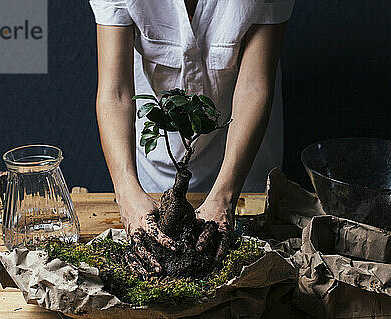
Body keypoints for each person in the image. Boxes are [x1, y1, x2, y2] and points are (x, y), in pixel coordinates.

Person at [90, 0, 294, 257]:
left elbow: (254, 85)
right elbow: (115, 92)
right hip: (158, 154)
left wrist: (225, 198)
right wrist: (127, 191)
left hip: (243, 158)